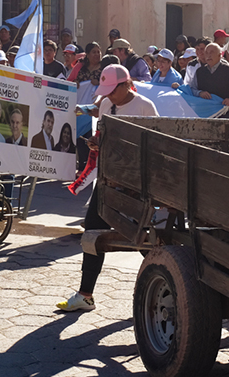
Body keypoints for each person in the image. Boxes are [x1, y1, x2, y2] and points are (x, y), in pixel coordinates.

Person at [56, 65, 157, 313]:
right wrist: (96, 142)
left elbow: (156, 146)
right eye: (106, 90)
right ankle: (85, 294)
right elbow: (102, 136)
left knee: (142, 237)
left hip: (135, 185)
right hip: (107, 181)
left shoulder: (145, 107)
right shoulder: (105, 105)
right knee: (92, 232)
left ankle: (168, 281)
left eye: (113, 90)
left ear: (127, 85)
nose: (109, 95)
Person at [187, 43, 229, 112]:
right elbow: (192, 88)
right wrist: (199, 93)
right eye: (206, 53)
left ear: (219, 55)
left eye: (212, 52)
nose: (209, 55)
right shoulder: (199, 72)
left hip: (225, 112)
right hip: (204, 112)